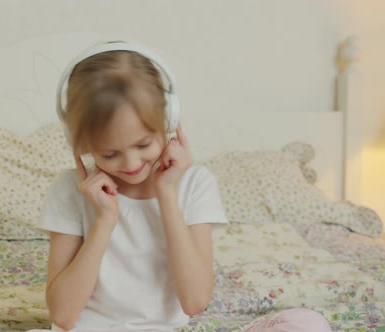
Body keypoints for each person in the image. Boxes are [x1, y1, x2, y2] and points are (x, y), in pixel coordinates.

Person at [30, 41, 332, 332]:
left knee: (307, 324)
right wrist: (104, 221)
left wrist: (167, 194)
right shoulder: (71, 189)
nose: (131, 162)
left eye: (143, 144)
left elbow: (195, 301)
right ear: (80, 144)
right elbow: (64, 316)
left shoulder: (195, 185)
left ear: (170, 121)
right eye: (109, 153)